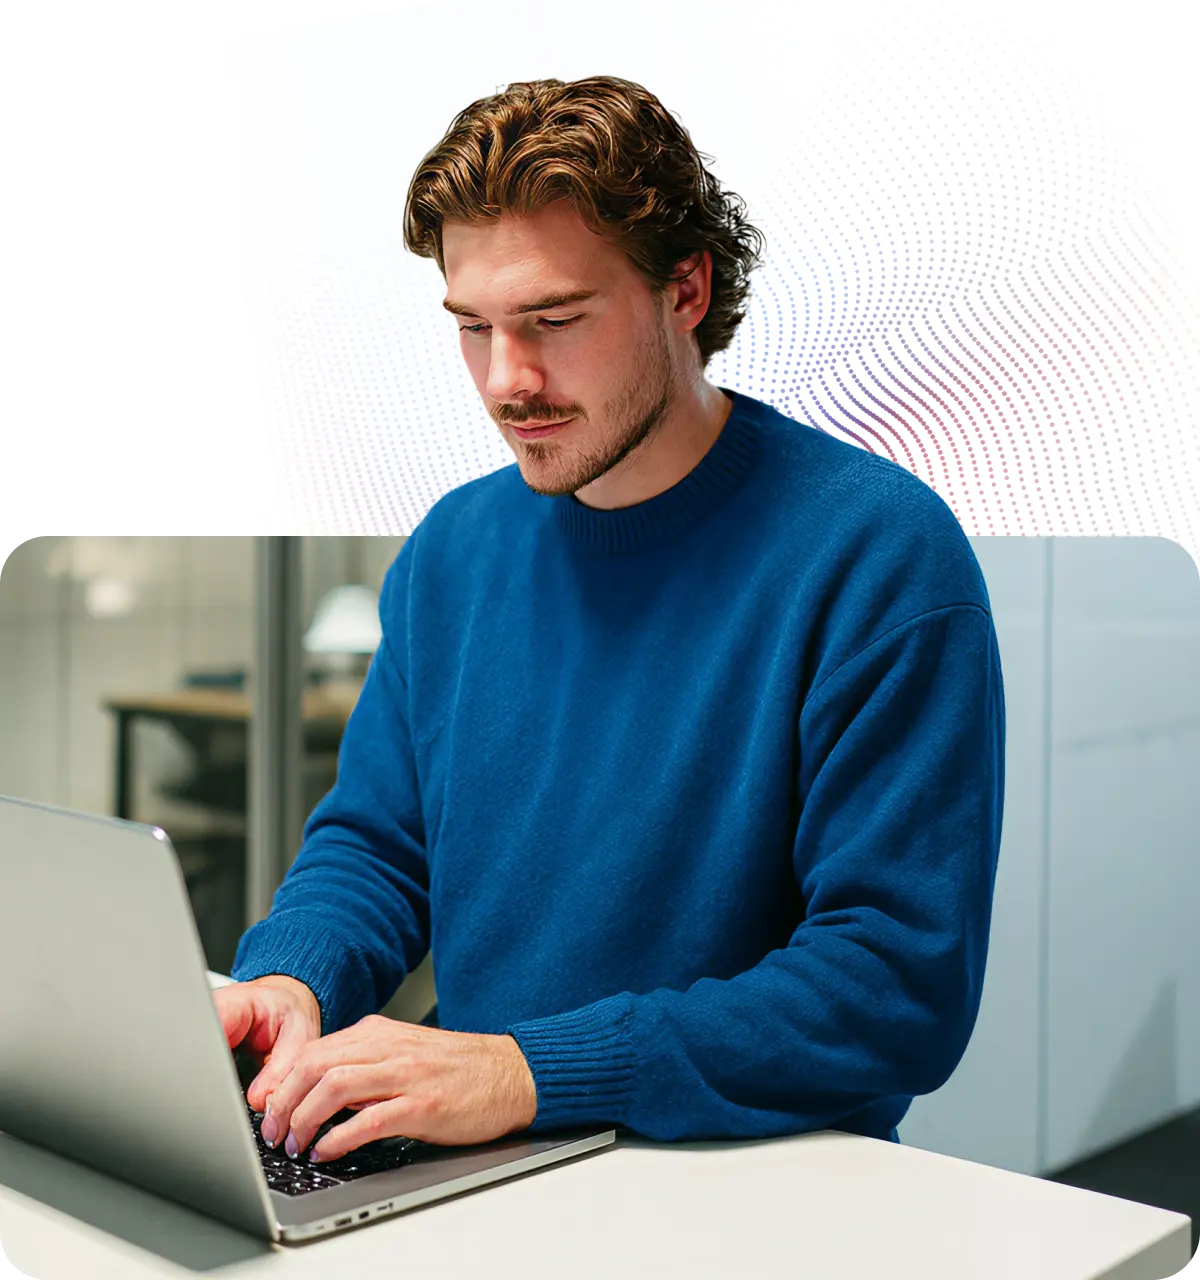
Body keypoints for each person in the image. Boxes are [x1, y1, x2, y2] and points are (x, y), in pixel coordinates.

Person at [214, 74, 1005, 1169]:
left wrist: (526, 1070)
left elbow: (892, 985)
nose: (508, 380)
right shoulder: (453, 550)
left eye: (553, 321)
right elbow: (379, 846)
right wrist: (291, 978)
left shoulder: (877, 555)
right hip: (480, 1158)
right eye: (474, 328)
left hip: (754, 1180)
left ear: (686, 289)